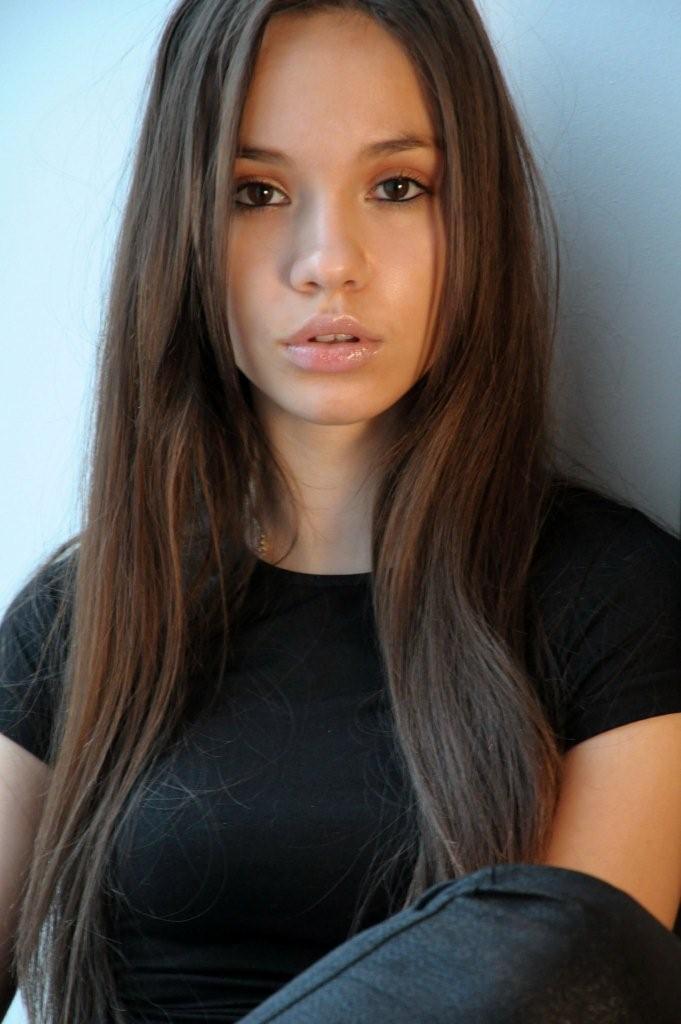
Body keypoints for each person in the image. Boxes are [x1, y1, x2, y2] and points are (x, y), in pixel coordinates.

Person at [1, 1, 680, 1022]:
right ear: (182, 232)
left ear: (474, 216)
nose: (328, 260)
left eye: (397, 187)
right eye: (257, 192)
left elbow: (580, 981)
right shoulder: (84, 618)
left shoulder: (618, 604)